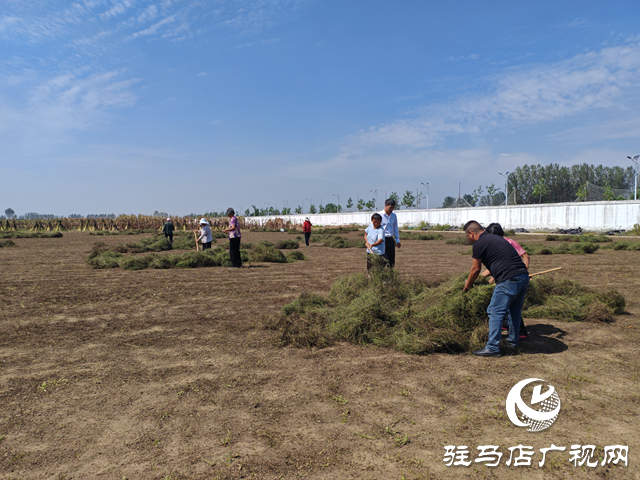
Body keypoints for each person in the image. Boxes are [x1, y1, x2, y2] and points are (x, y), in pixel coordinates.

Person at [463, 220, 529, 358]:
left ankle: (492, 347)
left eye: (467, 236)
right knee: (514, 311)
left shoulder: (479, 243)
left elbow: (475, 269)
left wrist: (468, 285)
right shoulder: (496, 238)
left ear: (471, 233)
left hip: (509, 279)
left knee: (494, 311)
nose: (468, 240)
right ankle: (512, 342)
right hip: (522, 276)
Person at [483, 223, 530, 339]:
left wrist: (524, 270)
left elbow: (525, 256)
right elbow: (497, 266)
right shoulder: (493, 245)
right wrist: (483, 277)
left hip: (512, 277)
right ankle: (507, 328)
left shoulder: (509, 243)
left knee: (508, 307)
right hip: (506, 275)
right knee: (506, 305)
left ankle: (520, 332)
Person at [379, 198, 400, 267]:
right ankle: (380, 275)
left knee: (391, 260)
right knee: (384, 259)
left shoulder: (393, 216)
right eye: (390, 207)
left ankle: (390, 275)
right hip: (382, 240)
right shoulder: (379, 215)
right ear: (385, 205)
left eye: (393, 208)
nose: (392, 209)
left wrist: (397, 240)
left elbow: (395, 228)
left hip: (390, 239)